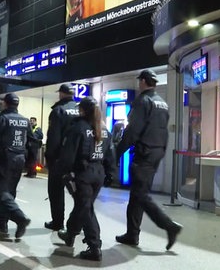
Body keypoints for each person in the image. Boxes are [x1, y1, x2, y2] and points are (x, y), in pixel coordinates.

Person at [115, 69, 182, 250]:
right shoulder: (163, 103)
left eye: (140, 81)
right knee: (138, 194)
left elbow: (132, 132)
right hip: (157, 153)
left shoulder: (143, 101)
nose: (139, 84)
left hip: (144, 154)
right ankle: (132, 234)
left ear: (144, 81)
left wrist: (116, 153)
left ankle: (169, 226)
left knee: (140, 195)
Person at [56, 97, 116, 261]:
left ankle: (94, 246)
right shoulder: (104, 129)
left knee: (85, 208)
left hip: (82, 174)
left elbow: (68, 154)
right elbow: (111, 154)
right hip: (98, 173)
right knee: (85, 206)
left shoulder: (78, 128)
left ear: (82, 110)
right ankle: (71, 234)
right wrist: (110, 174)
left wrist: (63, 173)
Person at [0, 93, 34, 238]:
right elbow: (31, 142)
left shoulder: (1, 119)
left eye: (3, 102)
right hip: (19, 159)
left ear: (6, 103)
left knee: (0, 191)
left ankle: (19, 218)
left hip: (4, 159)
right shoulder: (24, 120)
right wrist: (30, 162)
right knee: (10, 191)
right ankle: (2, 223)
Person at [44, 83, 80, 231]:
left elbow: (54, 137)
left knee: (56, 190)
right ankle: (80, 223)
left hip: (60, 158)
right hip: (79, 158)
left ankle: (58, 222)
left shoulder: (58, 111)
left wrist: (49, 157)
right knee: (79, 193)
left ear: (61, 94)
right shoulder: (80, 109)